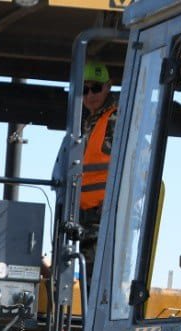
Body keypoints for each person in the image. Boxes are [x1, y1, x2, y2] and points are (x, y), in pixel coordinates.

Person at [78, 61, 117, 263]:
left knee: (95, 275)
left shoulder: (116, 119)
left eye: (96, 88)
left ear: (108, 86)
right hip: (84, 214)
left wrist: (114, 201)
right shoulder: (89, 122)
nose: (90, 95)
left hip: (103, 215)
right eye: (85, 89)